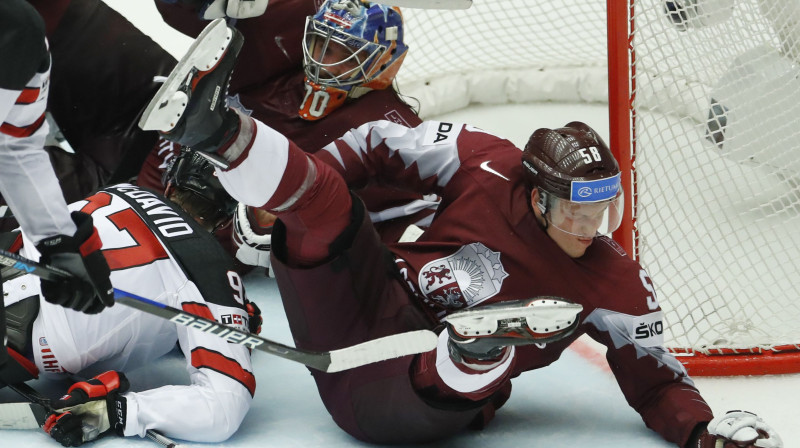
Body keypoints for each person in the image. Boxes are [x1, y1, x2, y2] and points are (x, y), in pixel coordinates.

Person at [139, 18, 784, 447]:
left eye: (602, 210)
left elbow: (660, 382)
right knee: (329, 208)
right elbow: (375, 142)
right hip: (366, 306)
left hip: (403, 401)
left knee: (489, 352)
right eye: (573, 210)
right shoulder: (483, 161)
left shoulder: (616, 284)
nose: (589, 228)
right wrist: (305, 187)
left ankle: (470, 353)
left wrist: (703, 433)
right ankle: (212, 130)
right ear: (533, 194)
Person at [141, 0, 439, 273]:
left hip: (208, 228)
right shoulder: (284, 40)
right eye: (319, 42)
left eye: (342, 52)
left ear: (384, 64)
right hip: (161, 161)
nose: (324, 59)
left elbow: (415, 219)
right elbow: (179, 9)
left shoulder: (388, 129)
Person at [1, 150, 259, 446]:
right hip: (19, 341)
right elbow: (224, 407)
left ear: (171, 184)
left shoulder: (124, 189)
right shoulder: (212, 269)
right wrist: (115, 412)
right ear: (228, 218)